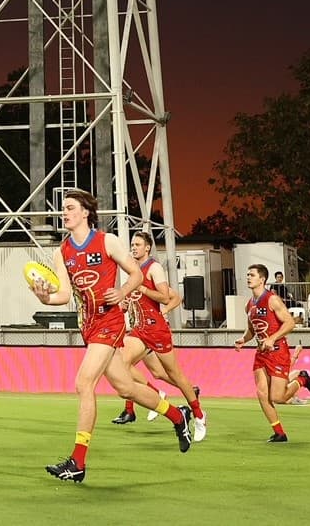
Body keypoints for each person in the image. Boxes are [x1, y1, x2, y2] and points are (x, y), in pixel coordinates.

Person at [30, 189, 189, 482]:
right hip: (88, 327)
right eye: (63, 208)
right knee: (126, 388)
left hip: (110, 321)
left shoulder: (108, 241)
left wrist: (123, 291)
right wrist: (44, 299)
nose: (64, 213)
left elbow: (136, 274)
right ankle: (178, 416)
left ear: (85, 212)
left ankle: (77, 462)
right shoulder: (61, 251)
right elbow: (64, 295)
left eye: (69, 208)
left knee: (83, 382)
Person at [110, 232, 206, 439]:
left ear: (147, 248)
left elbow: (165, 296)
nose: (134, 248)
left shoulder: (154, 268)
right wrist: (125, 304)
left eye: (138, 245)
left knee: (174, 375)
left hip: (157, 331)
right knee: (121, 364)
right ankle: (155, 396)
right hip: (139, 330)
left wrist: (145, 292)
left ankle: (198, 414)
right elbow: (134, 299)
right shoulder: (133, 271)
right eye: (132, 244)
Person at [233, 263, 310, 442]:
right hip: (261, 354)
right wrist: (243, 339)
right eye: (247, 274)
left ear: (262, 279)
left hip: (278, 351)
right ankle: (279, 432)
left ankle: (302, 379)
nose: (248, 277)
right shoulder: (249, 305)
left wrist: (272, 338)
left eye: (252, 275)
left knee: (278, 397)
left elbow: (290, 323)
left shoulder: (272, 299)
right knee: (261, 393)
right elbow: (252, 330)